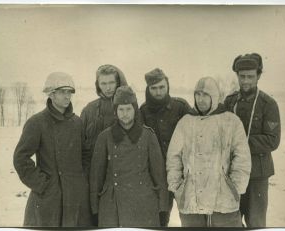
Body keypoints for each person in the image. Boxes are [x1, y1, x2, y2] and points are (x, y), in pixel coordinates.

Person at [166, 77, 251, 227]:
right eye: (197, 95)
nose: (200, 99)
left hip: (223, 199)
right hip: (191, 199)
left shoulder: (231, 121)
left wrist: (235, 187)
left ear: (215, 96)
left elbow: (242, 157)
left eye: (205, 95)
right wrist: (177, 187)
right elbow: (174, 157)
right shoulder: (185, 122)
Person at [13, 72, 91, 227]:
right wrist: (43, 185)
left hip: (75, 199)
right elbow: (21, 159)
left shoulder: (77, 123)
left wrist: (81, 182)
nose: (67, 96)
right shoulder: (37, 122)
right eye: (63, 92)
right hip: (49, 200)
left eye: (69, 92)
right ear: (51, 94)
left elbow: (86, 155)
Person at [90, 86, 169, 227]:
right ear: (115, 111)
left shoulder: (148, 136)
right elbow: (96, 177)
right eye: (120, 109)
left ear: (135, 110)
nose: (125, 114)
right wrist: (95, 210)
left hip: (143, 204)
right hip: (112, 205)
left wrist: (163, 209)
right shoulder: (105, 137)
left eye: (128, 109)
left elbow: (159, 176)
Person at [224, 53, 281, 227]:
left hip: (257, 174)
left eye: (250, 77)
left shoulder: (268, 104)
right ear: (237, 76)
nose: (246, 81)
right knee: (230, 221)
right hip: (232, 172)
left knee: (256, 222)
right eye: (242, 77)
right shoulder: (230, 101)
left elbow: (272, 140)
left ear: (258, 76)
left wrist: (241, 143)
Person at [139, 68, 191, 226]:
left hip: (181, 173)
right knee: (160, 218)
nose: (158, 92)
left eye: (162, 87)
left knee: (189, 216)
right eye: (153, 88)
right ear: (148, 89)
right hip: (158, 177)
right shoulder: (143, 111)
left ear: (168, 86)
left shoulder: (180, 106)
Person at [80, 64, 127, 169]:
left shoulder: (129, 108)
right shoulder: (89, 110)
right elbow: (80, 145)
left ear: (118, 83)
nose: (108, 87)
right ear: (98, 85)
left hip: (121, 170)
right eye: (103, 83)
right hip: (93, 169)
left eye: (111, 82)